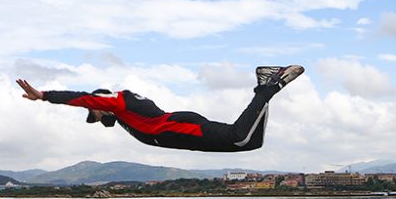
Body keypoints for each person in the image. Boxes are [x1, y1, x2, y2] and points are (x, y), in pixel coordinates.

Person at [16, 65, 304, 152]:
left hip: (183, 128)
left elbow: (83, 99)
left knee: (239, 137)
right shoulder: (123, 112)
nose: (95, 116)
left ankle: (269, 85)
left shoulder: (117, 100)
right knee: (252, 142)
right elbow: (105, 118)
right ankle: (264, 89)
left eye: (95, 111)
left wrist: (44, 95)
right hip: (184, 137)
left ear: (100, 102)